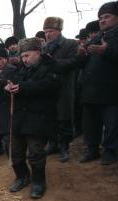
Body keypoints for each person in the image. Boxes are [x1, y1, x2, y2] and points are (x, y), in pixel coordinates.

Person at [6, 38, 60, 199]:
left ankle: (38, 182)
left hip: (39, 118)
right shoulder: (21, 69)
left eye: (27, 55)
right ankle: (22, 176)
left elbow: (50, 86)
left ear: (38, 53)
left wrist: (23, 88)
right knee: (15, 152)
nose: (24, 59)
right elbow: (14, 83)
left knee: (36, 151)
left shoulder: (50, 66)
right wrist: (8, 87)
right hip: (19, 118)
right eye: (23, 56)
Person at [77, 1, 118, 165]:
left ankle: (110, 151)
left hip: (112, 90)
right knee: (90, 123)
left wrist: (106, 51)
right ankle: (92, 149)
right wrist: (81, 55)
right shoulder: (98, 37)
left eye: (107, 16)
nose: (102, 20)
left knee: (112, 124)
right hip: (90, 90)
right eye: (100, 17)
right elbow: (80, 61)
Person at [43, 17, 79, 162]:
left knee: (64, 119)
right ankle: (53, 145)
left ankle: (65, 148)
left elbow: (74, 62)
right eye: (46, 31)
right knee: (50, 119)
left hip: (64, 87)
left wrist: (54, 62)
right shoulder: (44, 47)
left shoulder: (70, 43)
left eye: (50, 31)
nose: (47, 34)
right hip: (48, 88)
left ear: (59, 31)